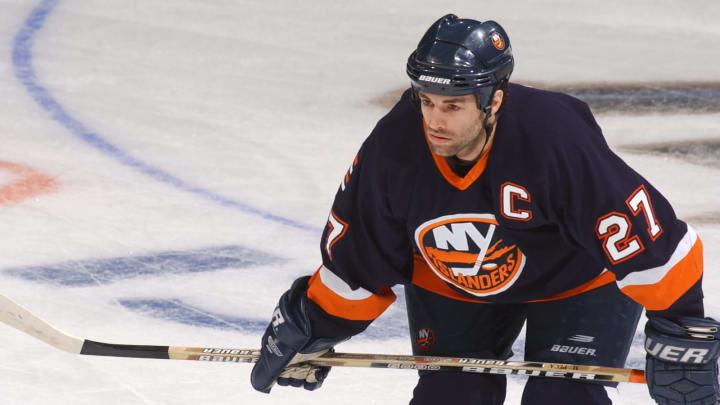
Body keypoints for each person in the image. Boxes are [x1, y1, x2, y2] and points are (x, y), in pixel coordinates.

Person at [250, 14, 719, 405]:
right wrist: (316, 321)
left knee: (562, 399)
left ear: (493, 100)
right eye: (426, 100)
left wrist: (682, 329)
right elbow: (360, 252)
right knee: (451, 396)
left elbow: (648, 239)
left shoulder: (553, 139)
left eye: (452, 106)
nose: (434, 120)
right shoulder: (394, 148)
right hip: (454, 281)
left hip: (575, 281)